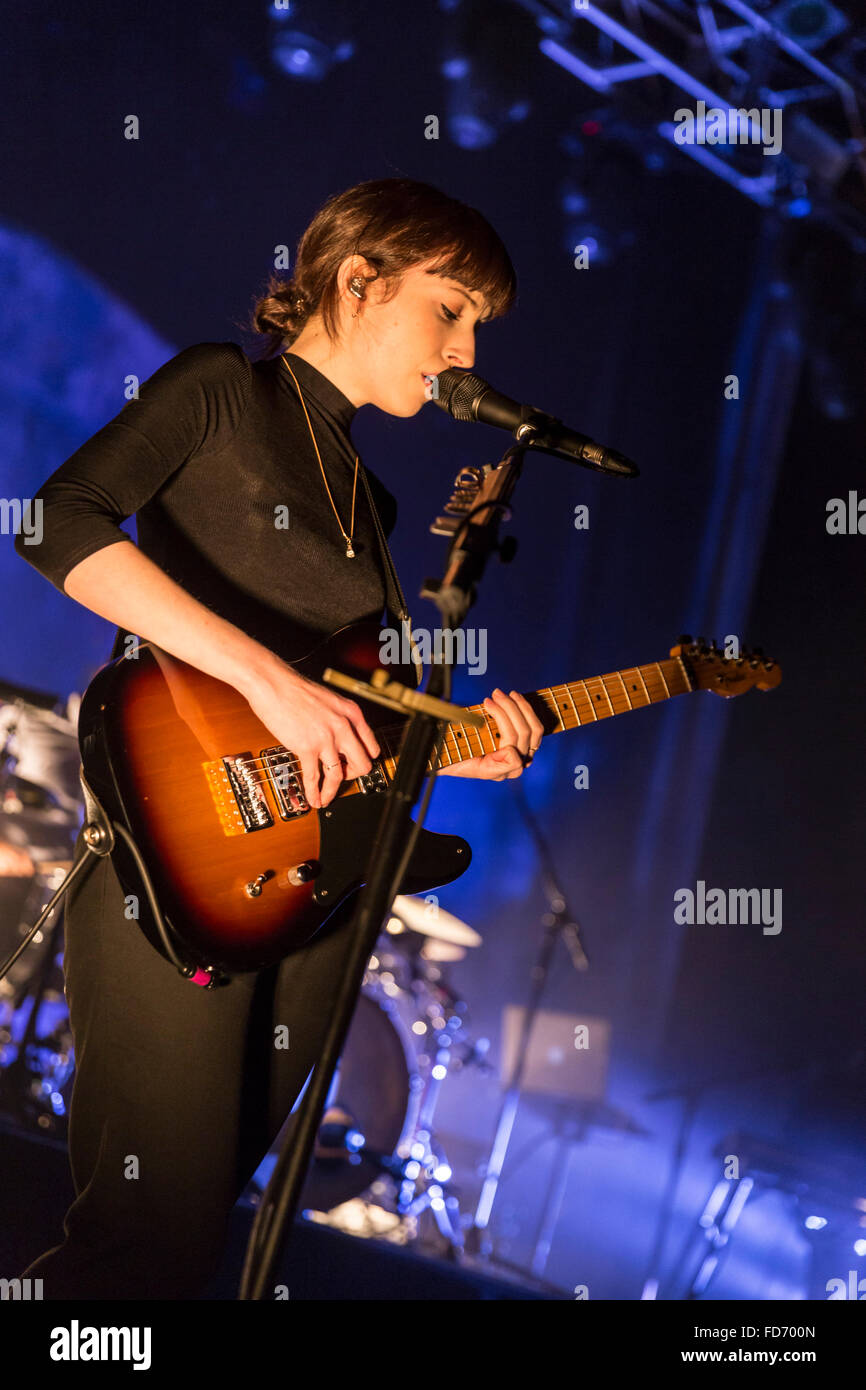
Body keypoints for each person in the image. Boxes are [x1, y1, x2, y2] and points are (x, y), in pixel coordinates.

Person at [13, 177, 544, 1299]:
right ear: (358, 279)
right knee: (138, 1241)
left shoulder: (372, 504)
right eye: (450, 308)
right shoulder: (222, 388)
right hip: (172, 868)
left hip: (299, 888)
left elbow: (349, 714)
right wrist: (265, 683)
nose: (464, 344)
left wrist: (456, 741)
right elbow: (52, 522)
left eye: (478, 325)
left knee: (191, 1235)